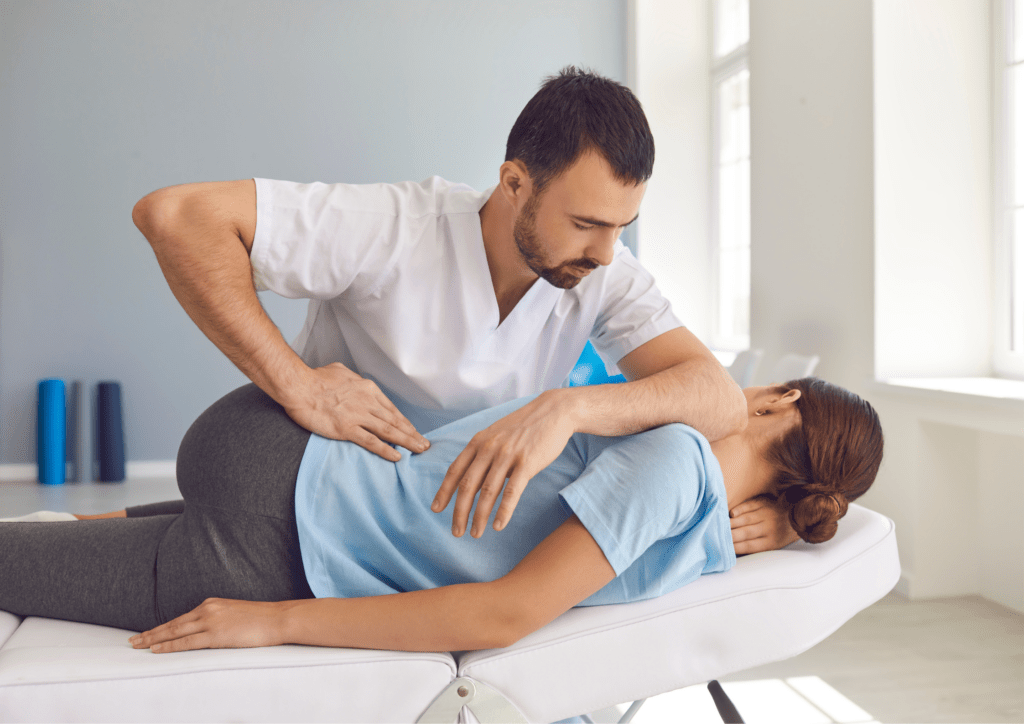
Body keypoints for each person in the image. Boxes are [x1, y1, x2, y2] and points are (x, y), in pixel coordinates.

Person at [130, 67, 797, 553]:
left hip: (446, 520)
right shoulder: (395, 225)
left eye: (623, 226)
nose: (606, 251)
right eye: (588, 222)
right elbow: (177, 218)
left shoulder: (603, 270)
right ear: (514, 183)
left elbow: (717, 397)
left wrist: (565, 408)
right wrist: (296, 384)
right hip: (312, 491)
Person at [0, 377, 882, 654]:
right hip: (276, 523)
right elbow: (504, 611)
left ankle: (95, 525)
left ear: (778, 400)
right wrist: (273, 623)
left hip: (275, 488)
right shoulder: (683, 480)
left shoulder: (675, 467)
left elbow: (504, 610)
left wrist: (272, 621)